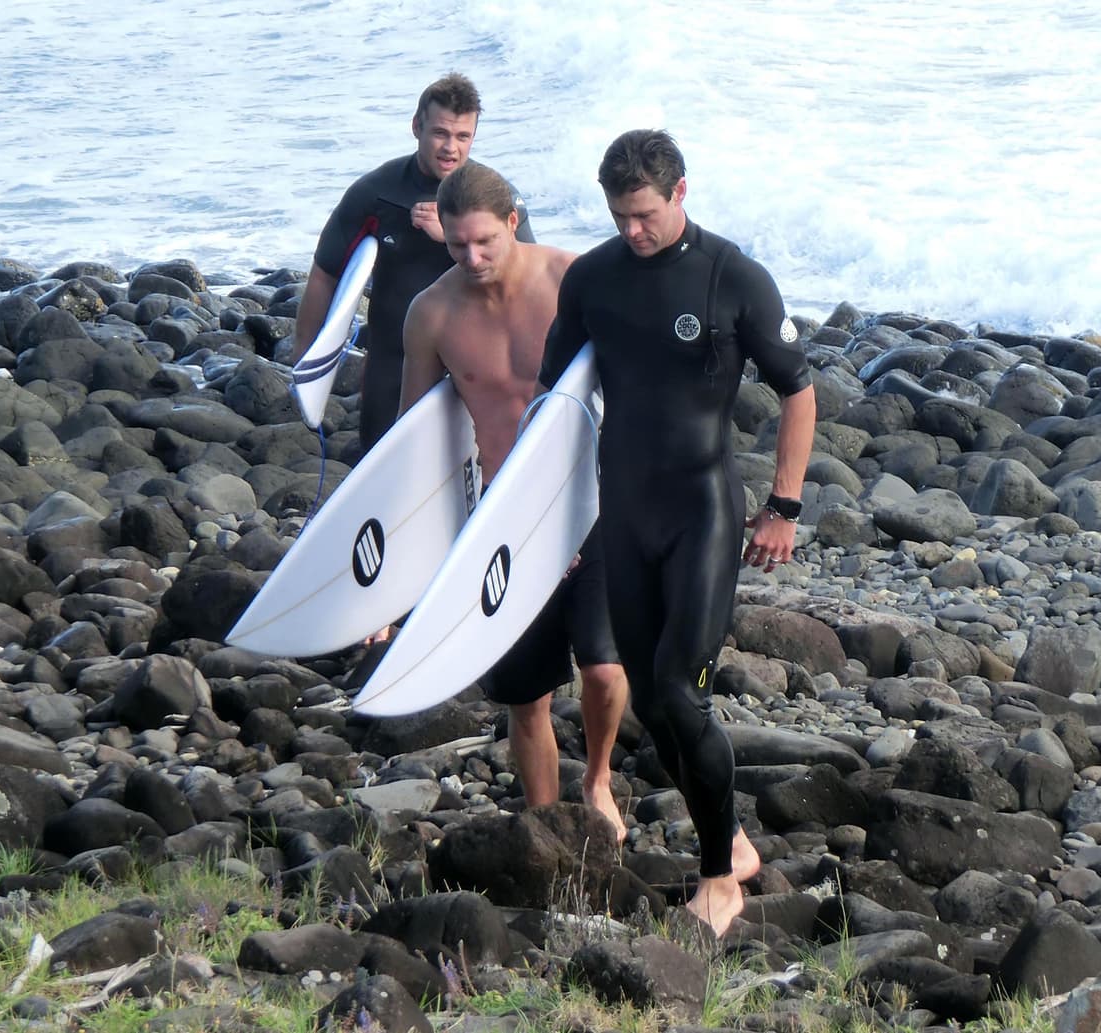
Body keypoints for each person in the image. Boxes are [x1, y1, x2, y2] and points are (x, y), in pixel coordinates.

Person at [539, 130, 817, 935]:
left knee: (674, 690)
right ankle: (728, 834)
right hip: (622, 512)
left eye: (646, 214)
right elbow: (554, 405)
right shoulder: (592, 279)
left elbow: (798, 392)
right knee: (655, 708)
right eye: (621, 215)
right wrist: (546, 524)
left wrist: (785, 507)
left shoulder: (732, 277)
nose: (633, 229)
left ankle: (717, 877)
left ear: (681, 192)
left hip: (703, 509)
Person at [397, 160, 629, 842]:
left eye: (484, 242)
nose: (470, 257)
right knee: (526, 696)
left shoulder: (572, 280)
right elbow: (418, 438)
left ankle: (599, 775)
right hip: (503, 521)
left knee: (605, 668)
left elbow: (637, 384)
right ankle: (545, 827)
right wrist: (413, 570)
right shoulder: (432, 314)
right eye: (456, 245)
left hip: (591, 503)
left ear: (513, 223)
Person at [290, 73, 534, 453]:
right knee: (381, 465)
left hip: (477, 362)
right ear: (417, 126)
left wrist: (451, 236)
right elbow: (325, 274)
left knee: (473, 474)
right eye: (440, 133)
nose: (450, 148)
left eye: (463, 137)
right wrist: (304, 363)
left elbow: (528, 279)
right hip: (393, 361)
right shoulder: (377, 194)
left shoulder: (496, 198)